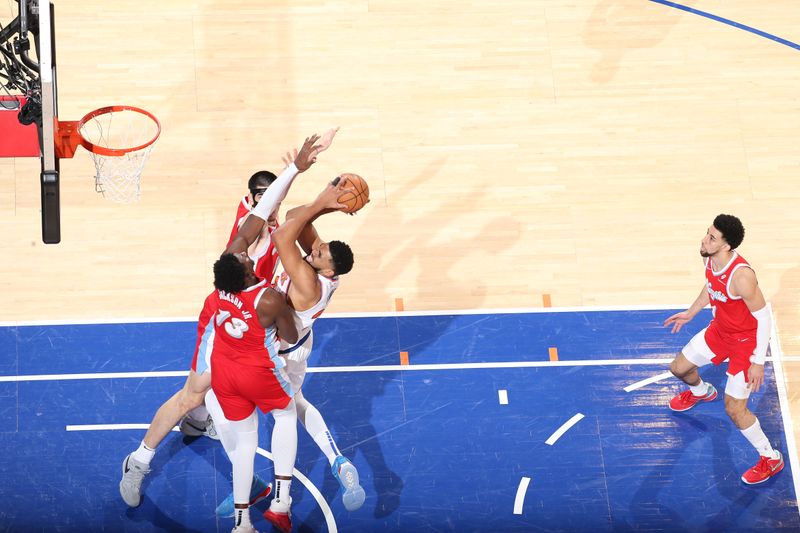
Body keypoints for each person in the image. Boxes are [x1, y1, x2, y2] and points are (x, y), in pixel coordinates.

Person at [119, 133, 331, 509]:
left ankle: (200, 422)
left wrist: (294, 170)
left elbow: (281, 211)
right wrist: (297, 176)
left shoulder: (264, 236)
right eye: (265, 197)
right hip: (225, 321)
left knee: (228, 394)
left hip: (252, 321)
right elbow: (269, 212)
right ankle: (138, 460)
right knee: (193, 394)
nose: (273, 202)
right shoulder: (243, 242)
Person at [216, 177, 362, 532]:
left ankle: (273, 496)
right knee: (294, 406)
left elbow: (283, 235)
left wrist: (320, 204)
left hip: (281, 353)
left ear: (328, 269)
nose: (315, 249)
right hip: (291, 346)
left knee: (275, 412)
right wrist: (329, 202)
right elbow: (298, 216)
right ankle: (336, 459)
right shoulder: (321, 264)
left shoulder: (310, 283)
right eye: (319, 247)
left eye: (320, 253)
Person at [665, 214, 783, 485]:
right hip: (720, 331)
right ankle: (702, 392)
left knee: (734, 409)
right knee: (679, 368)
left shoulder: (742, 277)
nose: (705, 240)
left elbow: (764, 317)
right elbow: (711, 286)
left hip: (746, 342)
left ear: (727, 246)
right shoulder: (709, 256)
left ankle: (770, 457)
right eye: (707, 233)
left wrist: (757, 361)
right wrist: (691, 312)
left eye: (712, 238)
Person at [203, 250, 299, 533]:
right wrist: (287, 310)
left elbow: (242, 240)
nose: (244, 252)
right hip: (257, 372)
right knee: (286, 416)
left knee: (245, 444)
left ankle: (242, 523)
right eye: (243, 258)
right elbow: (291, 336)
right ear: (246, 273)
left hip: (224, 374)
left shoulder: (221, 286)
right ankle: (281, 504)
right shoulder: (269, 299)